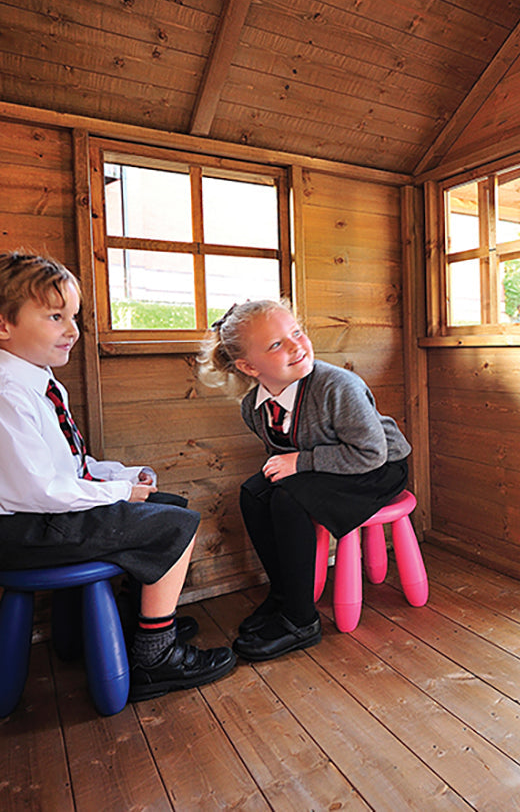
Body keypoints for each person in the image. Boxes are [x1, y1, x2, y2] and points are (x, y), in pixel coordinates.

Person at [0, 251, 235, 700]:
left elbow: (70, 465)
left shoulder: (40, 381)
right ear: (3, 324)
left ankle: (138, 621)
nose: (72, 330)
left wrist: (124, 477)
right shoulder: (9, 393)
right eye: (55, 316)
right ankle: (155, 655)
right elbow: (40, 490)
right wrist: (121, 492)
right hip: (22, 529)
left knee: (170, 506)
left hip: (39, 517)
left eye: (73, 316)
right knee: (178, 526)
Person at [197, 299, 411, 660]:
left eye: (296, 332)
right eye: (277, 344)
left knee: (289, 499)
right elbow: (280, 455)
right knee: (254, 493)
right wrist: (298, 466)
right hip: (326, 466)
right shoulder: (254, 409)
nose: (297, 345)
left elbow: (371, 453)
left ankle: (301, 621)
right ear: (249, 366)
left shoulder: (338, 386)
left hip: (378, 467)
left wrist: (302, 463)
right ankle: (284, 595)